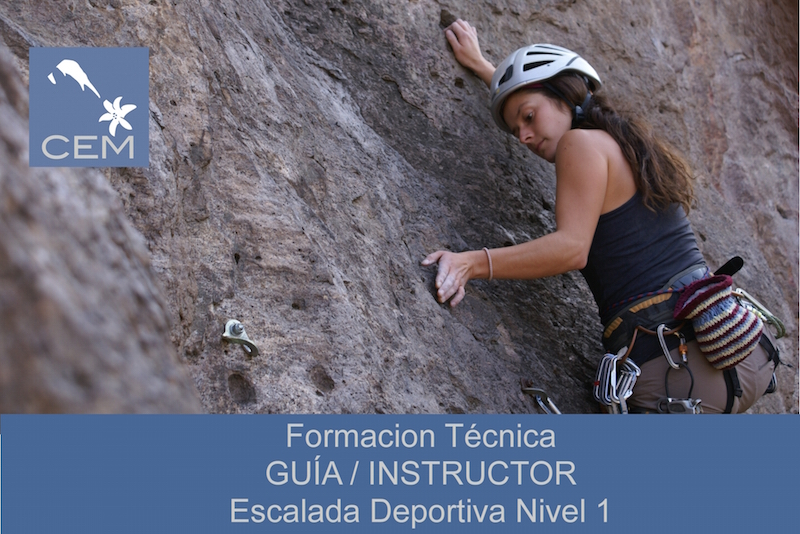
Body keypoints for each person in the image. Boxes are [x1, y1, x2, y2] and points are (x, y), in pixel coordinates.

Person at [422, 20, 779, 413]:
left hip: (677, 369)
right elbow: (543, 104)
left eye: (527, 118)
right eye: (514, 130)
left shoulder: (580, 143)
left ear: (562, 93)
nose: (522, 137)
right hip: (733, 350)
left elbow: (572, 249)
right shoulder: (623, 142)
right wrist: (488, 70)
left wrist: (471, 263)